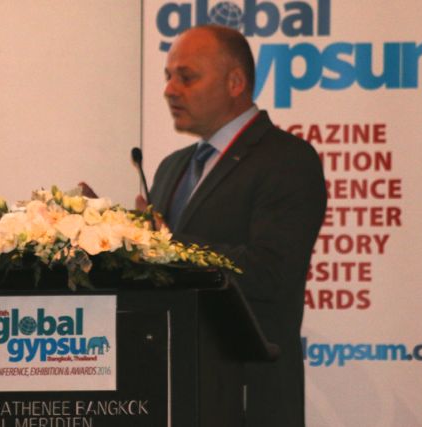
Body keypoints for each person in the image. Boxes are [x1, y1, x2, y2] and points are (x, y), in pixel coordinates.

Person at [140, 25, 327, 426]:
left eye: (186, 77)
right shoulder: (172, 167)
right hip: (174, 390)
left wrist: (168, 245)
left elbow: (269, 272)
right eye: (168, 76)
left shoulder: (287, 160)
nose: (170, 90)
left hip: (247, 395)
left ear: (235, 82)